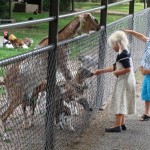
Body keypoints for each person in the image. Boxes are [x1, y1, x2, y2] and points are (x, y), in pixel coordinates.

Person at [92, 30, 136, 132]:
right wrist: (101, 71)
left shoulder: (122, 55)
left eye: (112, 45)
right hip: (128, 80)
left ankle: (117, 125)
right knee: (123, 100)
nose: (112, 47)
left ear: (117, 43)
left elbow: (128, 69)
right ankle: (122, 123)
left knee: (119, 101)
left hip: (124, 81)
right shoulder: (125, 52)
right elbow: (115, 66)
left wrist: (117, 73)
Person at [123, 29, 150, 121]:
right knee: (147, 94)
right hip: (147, 74)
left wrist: (147, 71)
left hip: (147, 72)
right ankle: (147, 113)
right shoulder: (149, 42)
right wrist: (129, 31)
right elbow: (141, 36)